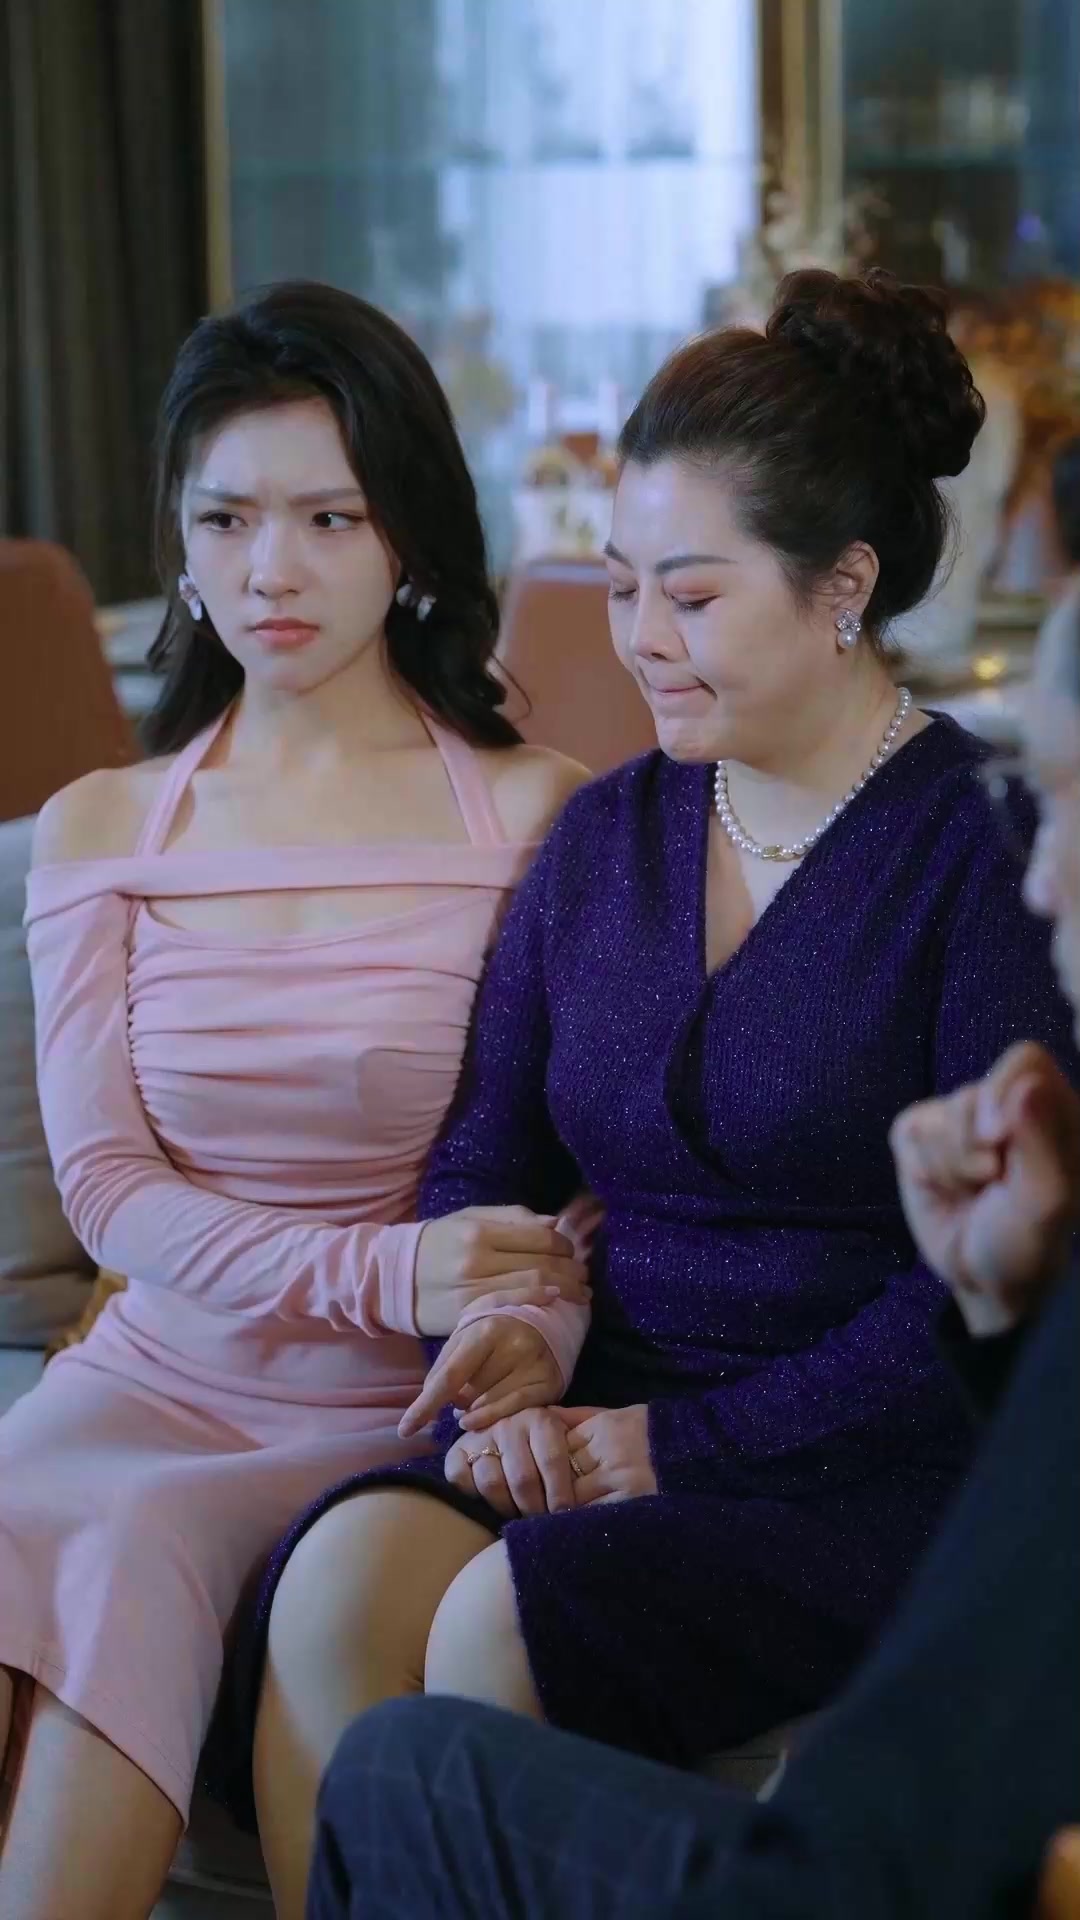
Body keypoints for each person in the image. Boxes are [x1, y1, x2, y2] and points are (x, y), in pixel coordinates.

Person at [216, 268, 1080, 1916]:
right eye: (619, 589)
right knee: (334, 1585)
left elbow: (975, 1295)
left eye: (690, 594)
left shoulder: (989, 847)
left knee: (504, 1614)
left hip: (862, 1464)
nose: (640, 642)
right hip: (592, 1416)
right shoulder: (604, 835)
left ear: (843, 586)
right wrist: (512, 1330)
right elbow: (483, 1153)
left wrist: (675, 1446)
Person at [0, 281, 592, 1920]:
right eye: (227, 518)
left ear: (408, 536)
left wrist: (500, 1313)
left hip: (374, 1411)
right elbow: (108, 1190)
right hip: (145, 1372)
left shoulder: (536, 817)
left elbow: (589, 1171)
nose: (271, 570)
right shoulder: (102, 824)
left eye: (329, 518)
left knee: (127, 1546)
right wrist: (391, 1265)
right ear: (180, 546)